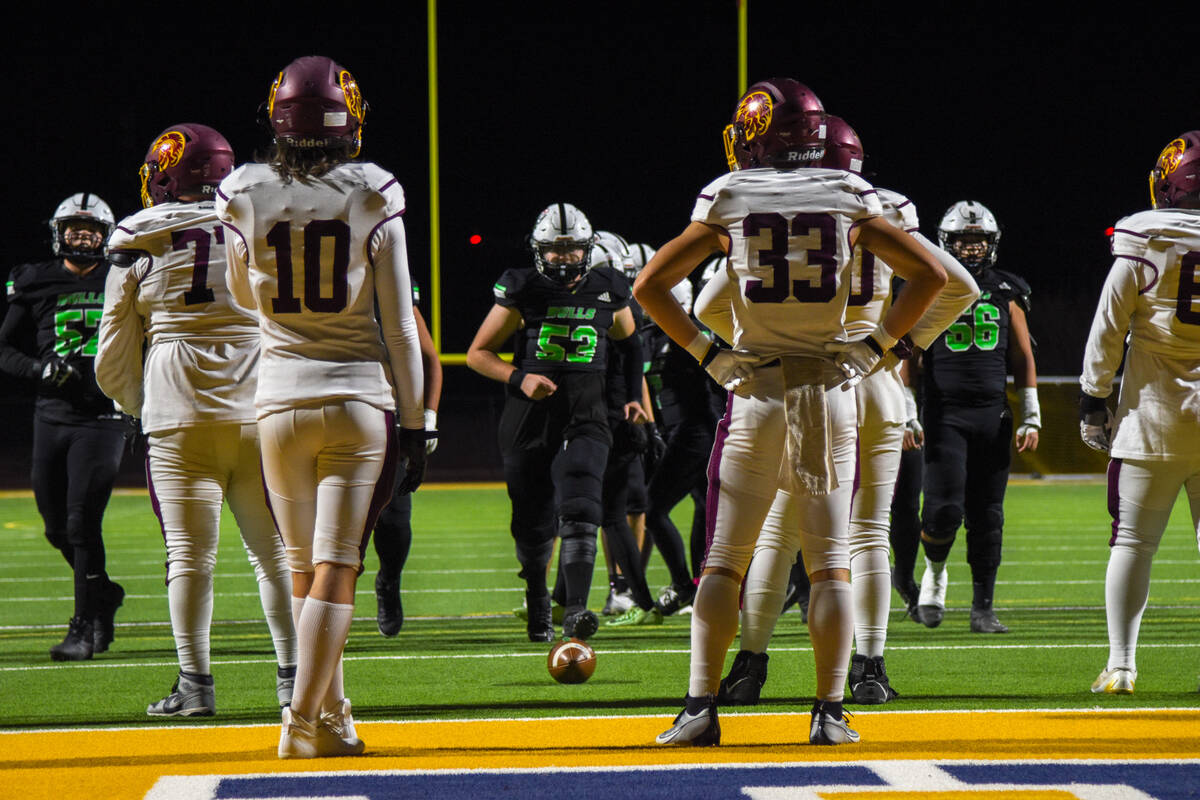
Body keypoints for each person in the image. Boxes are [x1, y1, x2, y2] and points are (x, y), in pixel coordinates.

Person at [633, 78, 946, 747]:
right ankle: (829, 714)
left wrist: (710, 356)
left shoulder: (730, 194)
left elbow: (650, 285)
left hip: (756, 393)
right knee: (832, 563)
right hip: (832, 394)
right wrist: (878, 347)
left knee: (724, 561)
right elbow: (934, 277)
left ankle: (699, 708)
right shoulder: (850, 195)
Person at [700, 115, 980, 706]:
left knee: (776, 531)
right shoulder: (882, 205)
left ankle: (750, 662)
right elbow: (956, 286)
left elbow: (706, 303)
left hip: (804, 379)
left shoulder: (780, 203)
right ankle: (870, 666)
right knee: (868, 533)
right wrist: (897, 346)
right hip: (872, 378)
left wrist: (754, 345)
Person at [216, 55, 426, 759]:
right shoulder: (372, 191)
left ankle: (332, 715)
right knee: (337, 567)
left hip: (277, 396)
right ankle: (299, 722)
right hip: (357, 394)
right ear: (349, 119)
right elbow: (400, 326)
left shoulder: (243, 189)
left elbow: (245, 296)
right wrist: (418, 420)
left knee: (305, 568)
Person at [95, 123, 298, 716]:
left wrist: (140, 405)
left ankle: (195, 686)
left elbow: (111, 355)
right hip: (261, 407)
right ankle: (292, 680)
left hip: (177, 411)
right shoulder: (259, 225)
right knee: (275, 555)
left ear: (167, 175)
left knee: (188, 558)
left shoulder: (135, 241)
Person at [467, 203, 643, 643]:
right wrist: (520, 377)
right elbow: (478, 353)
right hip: (530, 418)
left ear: (587, 250)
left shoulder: (608, 287)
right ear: (538, 251)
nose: (563, 259)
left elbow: (630, 343)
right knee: (532, 521)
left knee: (583, 505)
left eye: (571, 250)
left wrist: (634, 399)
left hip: (588, 414)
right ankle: (538, 599)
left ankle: (576, 614)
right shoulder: (522, 289)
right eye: (554, 251)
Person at [1079, 131, 1200, 694]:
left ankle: (1122, 665)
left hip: (1154, 418)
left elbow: (1110, 324)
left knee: (1132, 542)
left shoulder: (1145, 235)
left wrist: (1093, 394)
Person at [0, 193, 127, 662]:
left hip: (104, 417)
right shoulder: (34, 280)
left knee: (80, 523)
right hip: (51, 414)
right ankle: (104, 593)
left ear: (106, 235)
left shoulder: (122, 277)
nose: (82, 236)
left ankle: (83, 626)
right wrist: (40, 370)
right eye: (74, 228)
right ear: (58, 232)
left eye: (91, 229)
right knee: (56, 527)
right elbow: (5, 349)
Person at [908, 200, 1040, 633]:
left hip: (992, 415)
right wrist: (909, 410)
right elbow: (909, 353)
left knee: (988, 516)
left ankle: (983, 607)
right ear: (947, 243)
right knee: (942, 511)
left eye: (978, 241)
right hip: (944, 415)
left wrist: (1031, 413)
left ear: (992, 244)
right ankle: (935, 575)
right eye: (963, 242)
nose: (971, 249)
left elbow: (1021, 352)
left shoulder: (1006, 289)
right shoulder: (931, 285)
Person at [373, 296, 442, 637]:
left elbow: (428, 358)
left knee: (394, 518)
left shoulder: (388, 278)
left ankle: (389, 580)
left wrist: (427, 413)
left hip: (386, 415)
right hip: (329, 411)